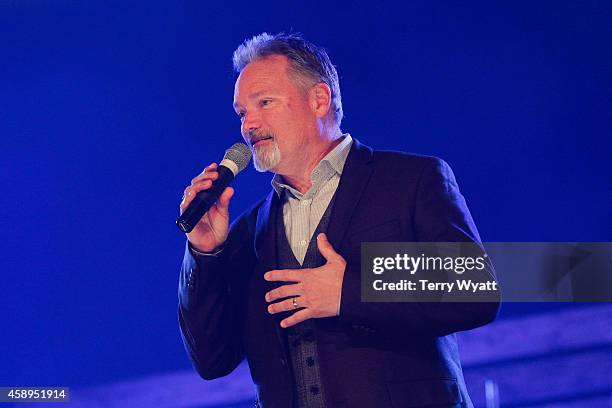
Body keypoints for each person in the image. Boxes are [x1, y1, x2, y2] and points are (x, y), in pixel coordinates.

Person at [178, 32, 499, 408]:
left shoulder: (409, 181)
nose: (249, 124)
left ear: (319, 99)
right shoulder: (249, 231)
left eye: (264, 102)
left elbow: (474, 289)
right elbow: (212, 360)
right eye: (242, 112)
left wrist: (350, 291)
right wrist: (204, 253)